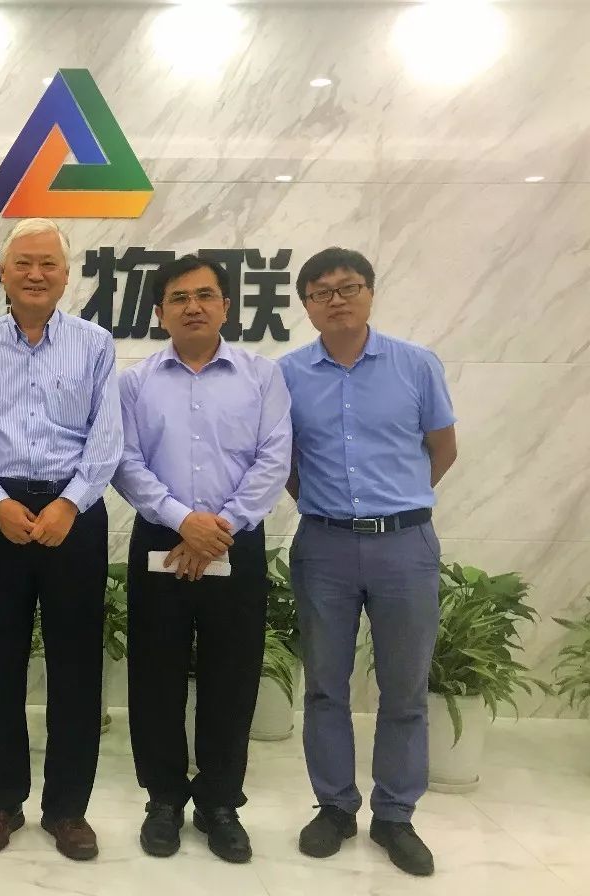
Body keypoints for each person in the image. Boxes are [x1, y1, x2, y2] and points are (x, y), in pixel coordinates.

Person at [279, 247, 457, 878]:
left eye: (348, 287)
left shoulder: (416, 364)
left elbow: (443, 448)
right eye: (321, 292)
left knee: (404, 688)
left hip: (405, 546)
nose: (336, 300)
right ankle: (334, 807)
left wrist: (396, 506)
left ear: (370, 293)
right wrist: (328, 509)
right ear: (306, 306)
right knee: (325, 685)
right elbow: (285, 462)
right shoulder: (287, 375)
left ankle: (395, 815)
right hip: (323, 544)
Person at [0, 218, 123, 862]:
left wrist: (69, 504)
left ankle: (67, 809)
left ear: (66, 274)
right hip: (0, 516)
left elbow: (107, 436)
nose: (35, 274)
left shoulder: (95, 343)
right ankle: (0, 802)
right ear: (2, 273)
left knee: (76, 665)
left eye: (48, 263)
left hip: (72, 517)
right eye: (23, 262)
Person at [112, 255, 291, 864]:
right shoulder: (135, 383)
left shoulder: (262, 376)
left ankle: (219, 803)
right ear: (159, 312)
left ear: (226, 306)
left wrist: (218, 528)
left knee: (231, 675)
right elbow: (125, 461)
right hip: (159, 539)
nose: (193, 307)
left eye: (205, 295)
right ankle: (163, 799)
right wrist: (182, 521)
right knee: (154, 674)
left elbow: (274, 458)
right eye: (179, 298)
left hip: (236, 543)